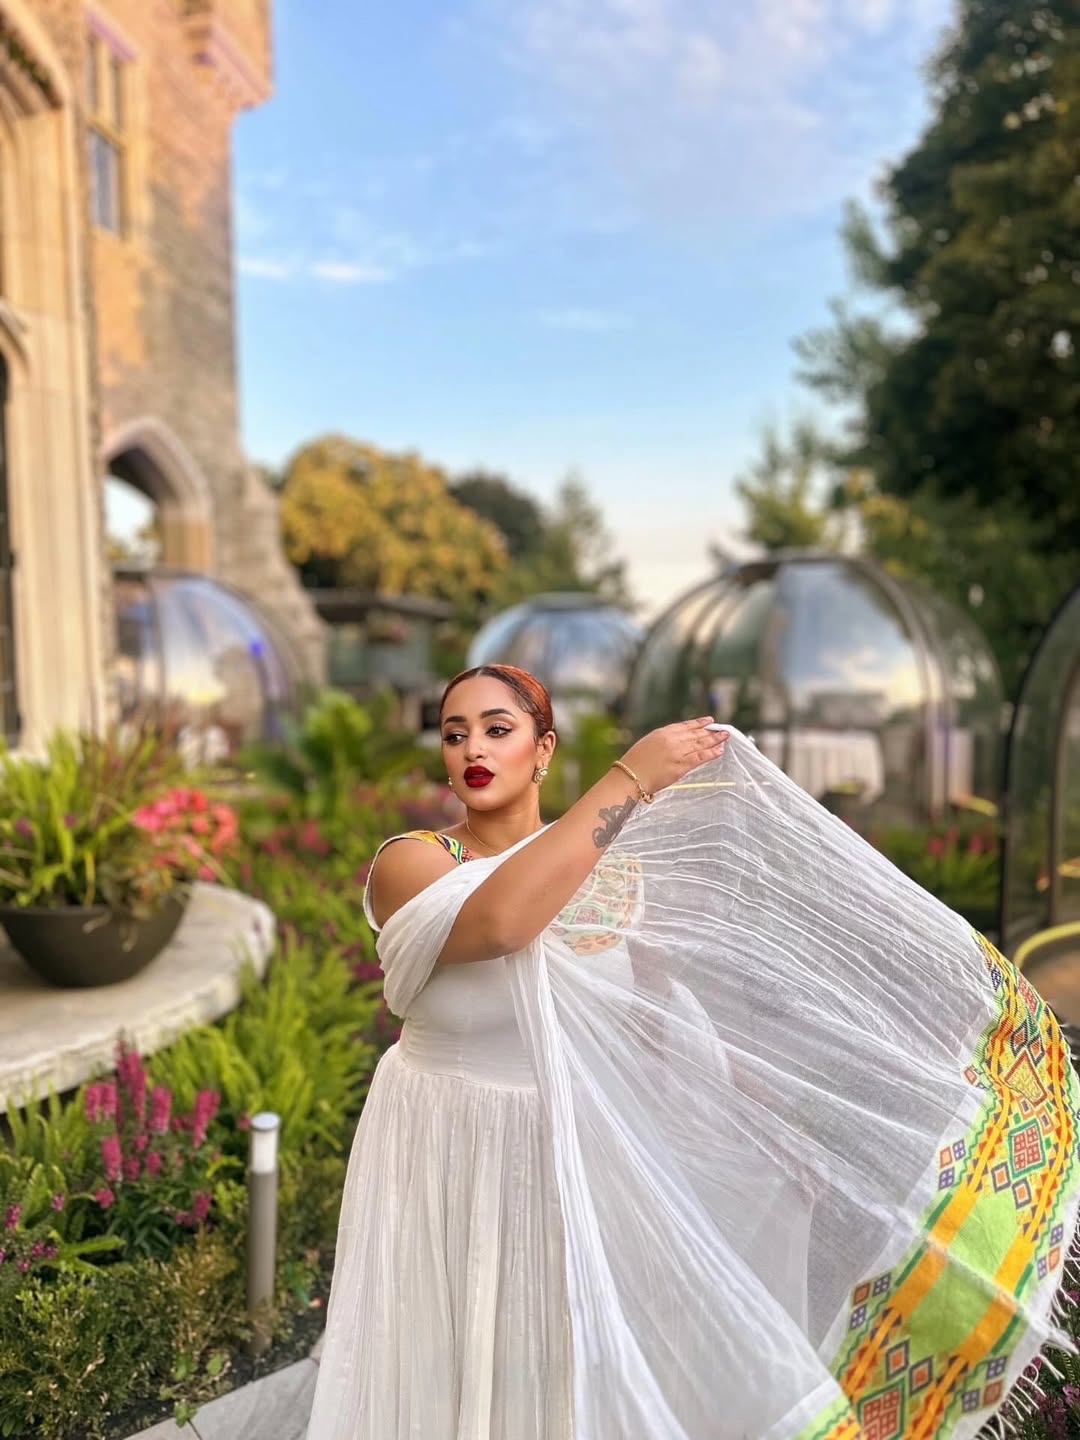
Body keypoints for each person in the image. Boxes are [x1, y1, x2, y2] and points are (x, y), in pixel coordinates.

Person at [306, 664, 1080, 1440]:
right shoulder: (413, 864)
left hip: (562, 1153)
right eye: (454, 732)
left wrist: (774, 1136)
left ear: (542, 750)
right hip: (445, 1143)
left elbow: (662, 1025)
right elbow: (506, 922)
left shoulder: (612, 874)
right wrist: (631, 778)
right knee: (444, 1362)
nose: (473, 747)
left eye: (497, 729)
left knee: (557, 1368)